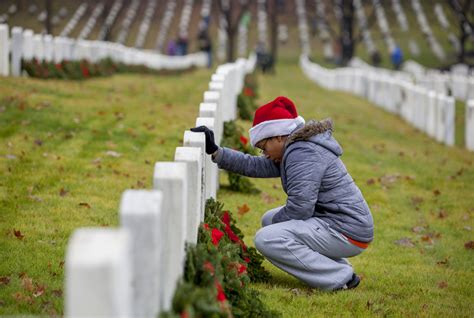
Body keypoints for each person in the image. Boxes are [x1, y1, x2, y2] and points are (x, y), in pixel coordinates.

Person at [191, 96, 374, 291]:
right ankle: (339, 269)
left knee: (266, 238)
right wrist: (216, 152)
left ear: (278, 136)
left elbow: (300, 208)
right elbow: (255, 165)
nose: (265, 154)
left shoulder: (302, 153)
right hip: (336, 221)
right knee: (269, 221)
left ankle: (340, 278)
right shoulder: (294, 148)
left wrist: (276, 231)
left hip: (347, 230)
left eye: (263, 147)